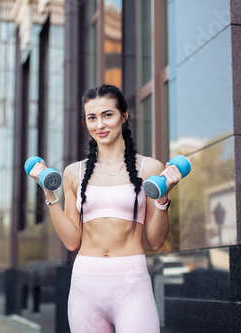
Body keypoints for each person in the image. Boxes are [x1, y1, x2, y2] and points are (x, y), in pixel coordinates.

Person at [29, 84, 182, 333]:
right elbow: (71, 241)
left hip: (132, 283)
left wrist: (162, 199)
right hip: (85, 285)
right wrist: (49, 193)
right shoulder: (73, 173)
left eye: (107, 115)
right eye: (92, 117)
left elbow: (155, 241)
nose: (99, 125)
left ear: (124, 115)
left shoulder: (150, 169)